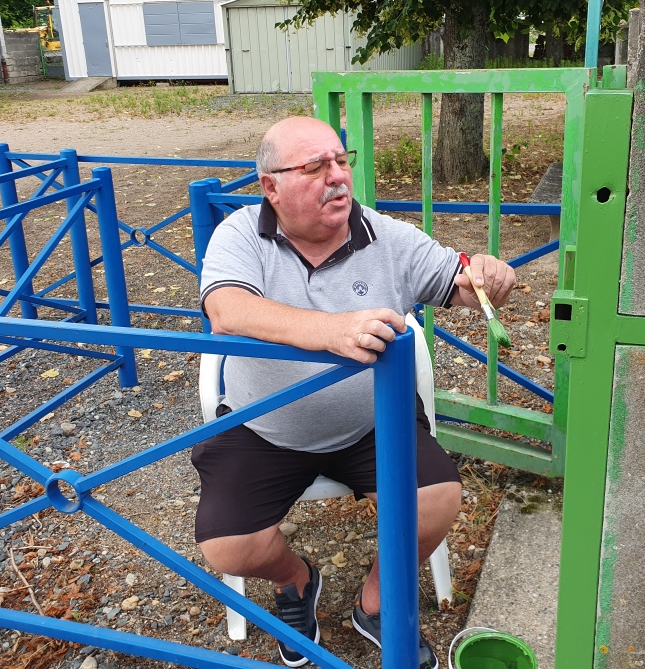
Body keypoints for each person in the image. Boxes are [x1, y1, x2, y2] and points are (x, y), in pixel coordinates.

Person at [193, 117, 516, 668]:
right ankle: (297, 582)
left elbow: (457, 284)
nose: (338, 178)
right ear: (271, 186)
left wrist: (486, 277)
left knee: (437, 500)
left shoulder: (386, 236)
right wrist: (332, 330)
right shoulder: (242, 232)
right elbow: (227, 309)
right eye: (316, 167)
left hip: (373, 422)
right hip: (264, 425)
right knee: (231, 547)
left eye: (342, 161)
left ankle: (378, 601)